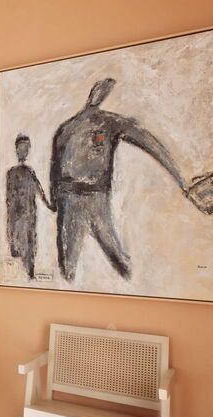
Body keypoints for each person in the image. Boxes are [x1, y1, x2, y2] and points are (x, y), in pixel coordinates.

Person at [49, 78, 190, 281]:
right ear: (94, 93)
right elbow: (55, 165)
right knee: (69, 258)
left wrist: (179, 178)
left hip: (92, 197)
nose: (101, 94)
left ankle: (128, 281)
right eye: (101, 89)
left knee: (110, 252)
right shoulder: (69, 128)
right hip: (70, 199)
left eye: (105, 90)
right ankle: (72, 286)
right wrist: (55, 199)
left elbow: (148, 142)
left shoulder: (107, 122)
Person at [5, 134, 52, 279]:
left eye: (26, 148)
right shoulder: (11, 173)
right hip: (17, 215)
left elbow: (39, 189)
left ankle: (30, 274)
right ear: (16, 150)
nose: (24, 151)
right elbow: (9, 197)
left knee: (30, 244)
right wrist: (12, 216)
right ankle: (24, 275)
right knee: (18, 246)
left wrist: (49, 205)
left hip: (29, 214)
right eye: (21, 148)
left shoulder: (30, 172)